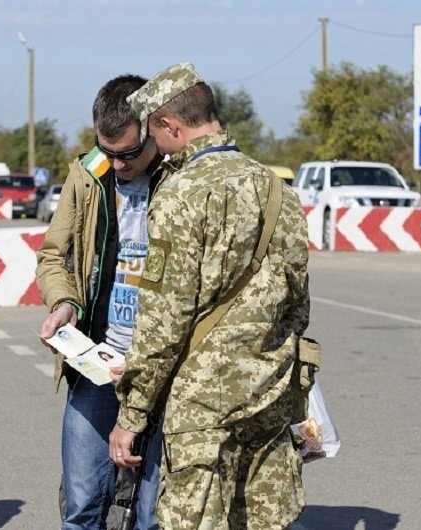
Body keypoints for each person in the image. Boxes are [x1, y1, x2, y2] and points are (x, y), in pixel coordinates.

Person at [108, 63, 311, 530]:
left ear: (170, 126)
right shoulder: (277, 189)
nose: (156, 149)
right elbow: (298, 304)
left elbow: (164, 317)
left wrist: (132, 414)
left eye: (156, 138)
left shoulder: (181, 194)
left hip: (203, 406)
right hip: (269, 391)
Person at [36, 74, 164, 530]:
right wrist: (64, 303)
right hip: (97, 362)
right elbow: (53, 254)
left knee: (155, 512)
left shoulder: (182, 181)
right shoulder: (88, 174)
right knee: (82, 503)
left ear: (156, 130)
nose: (118, 163)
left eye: (129, 153)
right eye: (107, 151)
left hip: (163, 370)